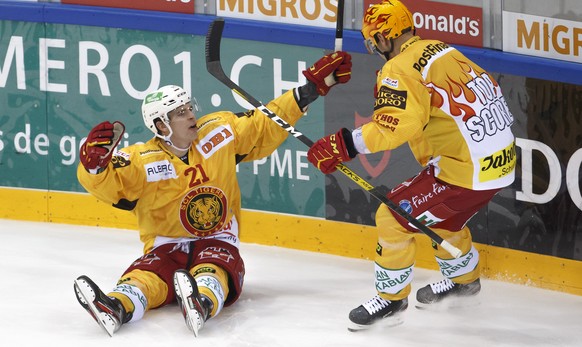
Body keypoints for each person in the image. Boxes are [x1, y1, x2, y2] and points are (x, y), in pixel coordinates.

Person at [73, 51, 352, 337]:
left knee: (212, 270)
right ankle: (117, 307)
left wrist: (307, 92)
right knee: (146, 277)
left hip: (218, 237)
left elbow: (263, 125)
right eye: (180, 112)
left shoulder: (219, 131)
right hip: (166, 245)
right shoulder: (142, 161)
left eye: (189, 107)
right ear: (160, 125)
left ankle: (201, 303)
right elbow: (111, 185)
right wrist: (94, 168)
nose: (191, 114)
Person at [306, 0, 516, 331]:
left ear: (385, 38)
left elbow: (394, 127)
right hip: (500, 163)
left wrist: (342, 144)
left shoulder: (399, 68)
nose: (374, 48)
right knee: (444, 218)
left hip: (465, 171)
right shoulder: (439, 49)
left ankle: (391, 300)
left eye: (373, 41)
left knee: (391, 218)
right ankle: (464, 282)